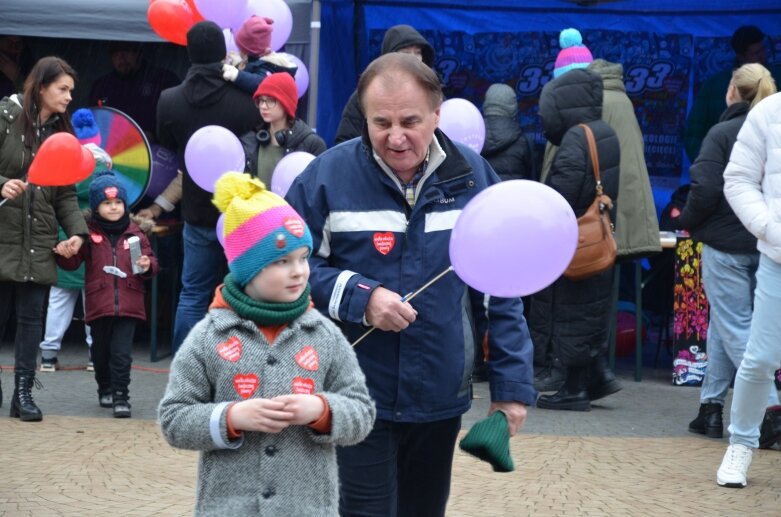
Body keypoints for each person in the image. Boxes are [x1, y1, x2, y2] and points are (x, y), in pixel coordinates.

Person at [286, 52, 536, 516]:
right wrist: (362, 298)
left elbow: (503, 289)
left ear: (437, 114)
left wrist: (512, 388)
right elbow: (283, 270)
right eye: (381, 122)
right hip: (353, 389)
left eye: (410, 121)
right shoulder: (326, 177)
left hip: (439, 391)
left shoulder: (474, 178)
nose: (395, 137)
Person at [158, 171, 375, 515]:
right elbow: (173, 420)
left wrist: (321, 411)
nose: (299, 271)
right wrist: (231, 416)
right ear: (247, 269)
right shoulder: (209, 336)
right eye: (281, 261)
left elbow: (362, 412)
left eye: (303, 257)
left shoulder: (324, 335)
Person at [536, 30, 661, 392]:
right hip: (616, 214)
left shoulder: (585, 111)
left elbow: (570, 169)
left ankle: (576, 374)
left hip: (587, 218)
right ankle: (595, 371)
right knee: (597, 298)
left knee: (577, 299)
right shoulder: (619, 98)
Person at [676, 64, 779, 445]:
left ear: (731, 92)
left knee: (736, 326)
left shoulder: (721, 133)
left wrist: (685, 221)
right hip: (765, 245)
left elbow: (703, 190)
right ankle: (711, 408)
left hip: (727, 244)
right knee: (725, 321)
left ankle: (770, 407)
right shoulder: (771, 128)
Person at [157, 20, 262, 354]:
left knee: (192, 295)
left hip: (197, 211)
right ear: (223, 52)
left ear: (188, 53)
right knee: (246, 293)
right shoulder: (247, 100)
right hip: (240, 212)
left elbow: (168, 145)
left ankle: (183, 372)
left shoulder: (169, 100)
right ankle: (241, 366)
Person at [0, 56, 88, 421]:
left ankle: (23, 394)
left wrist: (78, 234)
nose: (69, 97)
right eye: (62, 89)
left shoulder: (60, 134)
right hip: (3, 236)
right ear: (41, 87)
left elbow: (65, 194)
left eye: (71, 90)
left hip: (38, 240)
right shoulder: (4, 117)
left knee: (31, 321)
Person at [532, 68, 621, 412]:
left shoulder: (575, 138)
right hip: (598, 237)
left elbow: (564, 193)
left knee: (569, 311)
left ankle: (572, 390)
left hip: (575, 242)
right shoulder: (604, 132)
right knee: (590, 310)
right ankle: (597, 374)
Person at [716, 91, 781, 487]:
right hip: (778, 258)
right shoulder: (769, 112)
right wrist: (771, 229)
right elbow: (737, 178)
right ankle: (741, 444)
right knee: (759, 358)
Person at [55, 171, 158, 417]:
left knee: (122, 354)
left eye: (118, 203)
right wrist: (64, 254)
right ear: (95, 206)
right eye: (107, 203)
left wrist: (147, 265)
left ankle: (122, 396)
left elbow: (151, 264)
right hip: (99, 304)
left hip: (129, 303)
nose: (113, 208)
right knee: (100, 353)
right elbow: (71, 264)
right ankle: (105, 387)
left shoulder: (136, 233)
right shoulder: (87, 234)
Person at [38, 108, 110, 373]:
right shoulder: (104, 164)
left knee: (58, 297)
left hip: (64, 233)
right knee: (93, 298)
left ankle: (48, 354)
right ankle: (95, 355)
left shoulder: (63, 162)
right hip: (94, 236)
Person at [684, 25, 781, 162]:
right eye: (755, 53)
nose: (762, 56)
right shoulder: (715, 85)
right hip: (727, 171)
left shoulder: (777, 80)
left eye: (762, 50)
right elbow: (694, 133)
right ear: (740, 56)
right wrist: (708, 166)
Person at [334, 24, 435, 144]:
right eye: (406, 53)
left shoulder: (432, 92)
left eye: (417, 52)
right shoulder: (367, 94)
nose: (414, 59)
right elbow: (345, 142)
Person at [241, 72, 326, 186]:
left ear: (286, 103)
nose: (263, 106)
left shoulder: (312, 144)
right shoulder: (250, 140)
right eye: (261, 100)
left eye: (270, 100)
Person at [88, 41, 180, 142]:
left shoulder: (164, 80)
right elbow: (92, 122)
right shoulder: (102, 86)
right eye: (115, 51)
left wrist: (154, 135)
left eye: (127, 49)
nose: (121, 57)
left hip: (155, 151)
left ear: (139, 51)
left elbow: (177, 123)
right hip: (111, 150)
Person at [221, 15, 297, 95]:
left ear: (250, 51)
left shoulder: (268, 65)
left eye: (242, 49)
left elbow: (260, 82)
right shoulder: (252, 60)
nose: (239, 52)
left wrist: (236, 75)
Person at [480, 83, 535, 181]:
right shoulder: (524, 141)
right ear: (513, 108)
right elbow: (533, 179)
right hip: (514, 195)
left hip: (482, 196)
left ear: (486, 105)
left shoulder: (473, 137)